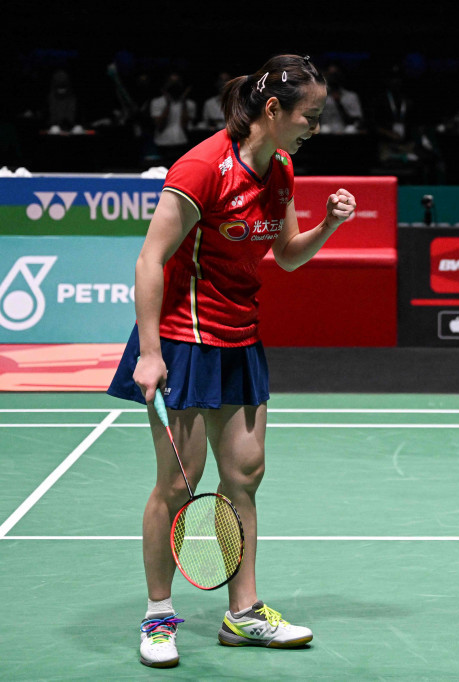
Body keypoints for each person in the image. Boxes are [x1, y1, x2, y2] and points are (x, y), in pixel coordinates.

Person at [107, 54, 357, 668]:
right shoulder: (203, 168)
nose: (314, 128)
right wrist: (147, 353)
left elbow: (288, 256)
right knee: (176, 484)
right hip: (185, 340)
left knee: (244, 477)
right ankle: (158, 614)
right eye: (310, 116)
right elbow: (149, 261)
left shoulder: (281, 170)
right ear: (273, 110)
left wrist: (325, 225)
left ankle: (243, 614)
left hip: (240, 337)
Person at [150, 72, 197, 165]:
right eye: (171, 82)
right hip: (162, 144)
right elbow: (159, 125)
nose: (174, 85)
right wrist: (168, 104)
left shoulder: (190, 104)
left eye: (177, 82)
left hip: (182, 143)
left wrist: (183, 103)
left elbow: (185, 126)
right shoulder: (157, 102)